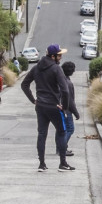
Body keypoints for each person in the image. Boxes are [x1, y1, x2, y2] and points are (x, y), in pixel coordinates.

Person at [20, 43, 74, 172]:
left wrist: (34, 100)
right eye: (59, 55)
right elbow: (65, 91)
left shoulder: (36, 67)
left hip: (40, 106)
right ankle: (63, 163)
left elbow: (24, 84)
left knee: (42, 134)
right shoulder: (56, 69)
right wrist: (64, 107)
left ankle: (42, 164)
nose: (61, 57)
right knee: (62, 132)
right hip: (54, 106)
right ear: (53, 56)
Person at [55, 61, 79, 171]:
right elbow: (70, 100)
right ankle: (62, 149)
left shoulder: (61, 79)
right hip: (66, 110)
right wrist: (76, 112)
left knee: (60, 130)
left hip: (59, 108)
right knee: (70, 129)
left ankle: (60, 148)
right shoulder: (68, 83)